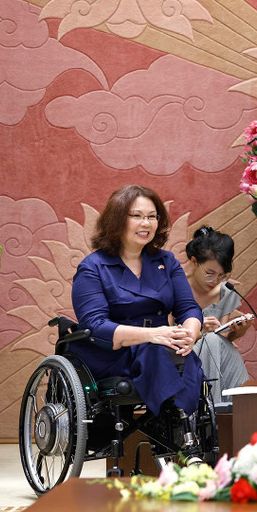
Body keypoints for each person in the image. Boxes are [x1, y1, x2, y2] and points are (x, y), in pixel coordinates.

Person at [69, 185, 204, 437]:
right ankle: (180, 423)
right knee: (160, 351)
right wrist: (151, 335)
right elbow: (95, 325)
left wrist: (190, 333)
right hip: (114, 353)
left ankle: (184, 423)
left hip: (163, 344)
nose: (147, 223)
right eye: (137, 216)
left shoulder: (166, 261)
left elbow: (188, 309)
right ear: (117, 220)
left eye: (152, 216)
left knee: (181, 353)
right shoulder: (93, 267)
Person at [185, 226, 250, 405]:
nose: (214, 281)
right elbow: (164, 332)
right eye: (209, 273)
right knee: (210, 340)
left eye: (221, 276)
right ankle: (210, 409)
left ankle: (227, 413)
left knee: (214, 341)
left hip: (216, 354)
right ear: (194, 261)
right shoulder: (175, 287)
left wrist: (237, 332)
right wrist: (196, 329)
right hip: (183, 354)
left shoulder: (226, 292)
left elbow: (221, 339)